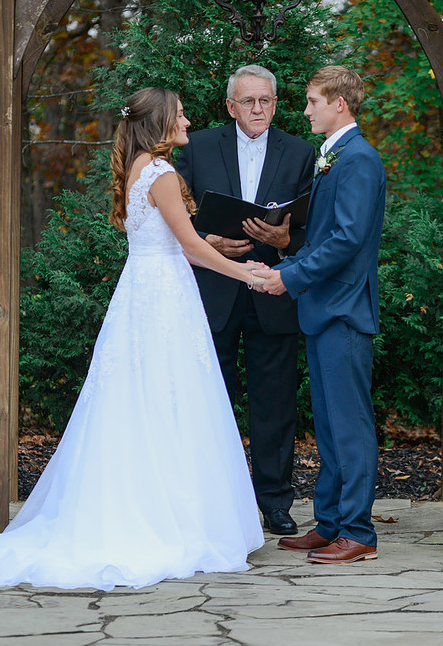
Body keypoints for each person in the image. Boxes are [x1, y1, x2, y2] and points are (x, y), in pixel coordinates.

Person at [0, 87, 265, 590]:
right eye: (180, 115)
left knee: (144, 398)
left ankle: (156, 508)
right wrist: (248, 274)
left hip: (144, 292)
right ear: (159, 122)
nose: (187, 121)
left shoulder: (138, 167)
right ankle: (175, 520)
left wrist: (217, 252)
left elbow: (178, 244)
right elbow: (189, 247)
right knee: (171, 396)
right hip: (163, 298)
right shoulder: (162, 173)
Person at [253, 66, 386, 564]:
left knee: (350, 427)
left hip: (344, 309)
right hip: (323, 308)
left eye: (312, 101)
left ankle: (358, 532)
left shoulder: (359, 159)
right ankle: (330, 524)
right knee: (329, 427)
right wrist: (283, 268)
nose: (306, 110)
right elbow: (322, 236)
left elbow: (348, 239)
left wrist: (290, 278)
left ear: (339, 104)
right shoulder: (335, 156)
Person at [176, 65, 316, 537]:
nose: (258, 109)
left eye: (266, 101)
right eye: (249, 101)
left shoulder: (300, 153)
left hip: (272, 292)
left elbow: (312, 227)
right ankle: (211, 503)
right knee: (210, 401)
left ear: (275, 104)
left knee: (275, 403)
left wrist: (284, 240)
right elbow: (173, 217)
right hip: (213, 290)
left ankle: (275, 503)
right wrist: (207, 243)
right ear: (230, 106)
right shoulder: (197, 147)